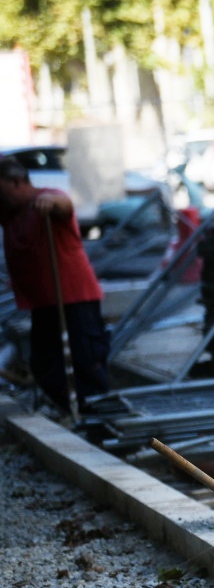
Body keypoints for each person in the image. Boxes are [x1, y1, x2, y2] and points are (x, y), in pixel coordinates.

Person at [0, 154, 110, 410]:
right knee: (44, 365)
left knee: (84, 361)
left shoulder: (45, 200)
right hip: (44, 302)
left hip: (73, 298)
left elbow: (63, 204)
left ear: (16, 182)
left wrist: (52, 202)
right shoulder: (10, 213)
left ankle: (99, 416)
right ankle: (72, 411)